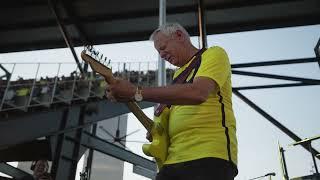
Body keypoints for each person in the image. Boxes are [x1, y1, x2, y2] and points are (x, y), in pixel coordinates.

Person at [106, 22, 238, 180]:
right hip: (172, 160)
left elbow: (198, 93)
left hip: (209, 156)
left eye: (162, 48)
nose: (161, 55)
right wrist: (159, 132)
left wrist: (136, 92)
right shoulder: (177, 77)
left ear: (179, 36)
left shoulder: (213, 54)